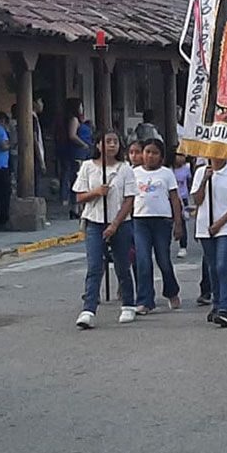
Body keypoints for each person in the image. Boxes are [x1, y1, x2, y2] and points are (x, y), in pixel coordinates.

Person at [73, 131, 138, 328]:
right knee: (94, 266)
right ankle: (89, 308)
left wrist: (115, 224)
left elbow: (129, 199)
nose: (112, 145)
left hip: (120, 222)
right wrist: (96, 192)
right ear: (99, 145)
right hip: (94, 220)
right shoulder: (87, 167)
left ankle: (128, 303)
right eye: (107, 141)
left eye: (115, 142)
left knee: (121, 264)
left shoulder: (124, 169)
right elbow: (79, 196)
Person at [132, 139, 183, 313]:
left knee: (163, 259)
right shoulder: (134, 173)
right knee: (143, 261)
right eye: (147, 152)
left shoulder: (167, 173)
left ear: (161, 156)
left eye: (154, 153)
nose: (150, 156)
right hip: (140, 220)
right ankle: (145, 300)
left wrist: (178, 223)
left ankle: (171, 291)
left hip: (162, 221)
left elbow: (175, 199)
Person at [191, 156, 227, 328]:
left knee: (223, 265)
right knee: (212, 267)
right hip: (205, 225)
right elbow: (197, 200)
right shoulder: (201, 172)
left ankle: (225, 307)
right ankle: (217, 301)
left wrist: (219, 223)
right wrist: (205, 180)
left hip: (226, 225)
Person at [59, 99, 92, 215]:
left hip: (84, 151)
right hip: (78, 151)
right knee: (78, 178)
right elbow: (72, 135)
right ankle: (76, 206)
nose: (82, 108)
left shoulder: (80, 120)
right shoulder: (74, 120)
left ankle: (79, 206)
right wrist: (83, 144)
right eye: (80, 106)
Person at [172, 153, 193, 259]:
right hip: (170, 197)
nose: (180, 158)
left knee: (181, 221)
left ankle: (183, 246)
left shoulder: (187, 169)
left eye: (182, 156)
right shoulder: (170, 169)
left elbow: (189, 182)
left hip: (183, 197)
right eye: (178, 155)